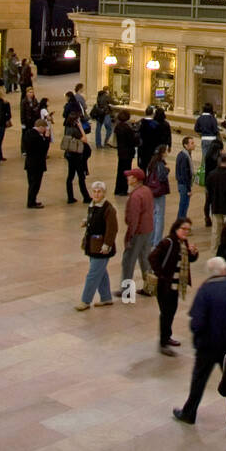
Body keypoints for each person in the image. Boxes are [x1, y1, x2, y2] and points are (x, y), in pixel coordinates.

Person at [172, 256, 226, 424]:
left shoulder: (205, 290)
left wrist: (198, 338)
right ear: (224, 270)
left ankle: (189, 413)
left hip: (207, 346)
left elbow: (197, 321)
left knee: (199, 380)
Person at [151, 215, 199, 355]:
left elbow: (188, 259)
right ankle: (163, 342)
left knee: (171, 312)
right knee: (166, 313)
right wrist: (161, 275)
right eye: (183, 229)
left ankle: (167, 337)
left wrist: (193, 253)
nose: (185, 232)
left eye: (188, 230)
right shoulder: (169, 242)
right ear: (176, 228)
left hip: (175, 286)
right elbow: (152, 257)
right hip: (165, 286)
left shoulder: (183, 242)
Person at [74, 180, 118, 310]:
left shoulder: (108, 209)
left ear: (104, 193)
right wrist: (86, 221)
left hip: (101, 248)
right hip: (92, 245)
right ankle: (106, 297)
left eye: (99, 192)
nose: (96, 194)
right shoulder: (92, 205)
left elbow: (112, 229)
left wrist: (107, 245)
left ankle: (85, 301)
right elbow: (93, 218)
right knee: (101, 272)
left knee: (93, 274)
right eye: (94, 191)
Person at [118, 167, 153, 298]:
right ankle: (150, 288)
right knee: (145, 259)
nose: (127, 178)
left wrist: (129, 235)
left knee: (128, 260)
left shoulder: (136, 196)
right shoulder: (147, 190)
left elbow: (134, 218)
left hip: (138, 232)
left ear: (135, 179)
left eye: (130, 176)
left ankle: (126, 291)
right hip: (148, 229)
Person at [146, 144, 171, 247]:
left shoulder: (152, 162)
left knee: (153, 215)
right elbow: (161, 177)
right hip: (159, 192)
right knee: (160, 216)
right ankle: (157, 240)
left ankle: (151, 239)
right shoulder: (160, 164)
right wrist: (167, 170)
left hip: (152, 190)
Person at [23, 116, 50, 209]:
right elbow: (44, 148)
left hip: (29, 163)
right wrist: (46, 138)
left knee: (31, 183)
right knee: (35, 184)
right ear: (41, 127)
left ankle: (32, 200)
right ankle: (31, 202)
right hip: (37, 164)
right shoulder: (37, 136)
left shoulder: (27, 133)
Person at [63, 117, 91, 203]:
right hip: (76, 156)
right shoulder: (75, 130)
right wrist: (81, 128)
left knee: (70, 176)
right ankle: (86, 197)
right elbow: (84, 140)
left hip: (70, 155)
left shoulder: (67, 129)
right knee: (81, 177)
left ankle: (70, 197)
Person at [113, 109, 137, 196]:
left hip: (121, 151)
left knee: (120, 171)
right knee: (126, 171)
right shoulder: (127, 129)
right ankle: (123, 189)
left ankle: (118, 189)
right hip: (128, 152)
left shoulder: (118, 127)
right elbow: (132, 141)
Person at [175, 134, 197, 219]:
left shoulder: (184, 154)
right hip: (184, 184)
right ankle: (180, 223)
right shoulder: (184, 156)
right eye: (192, 143)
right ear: (186, 145)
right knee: (183, 206)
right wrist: (188, 189)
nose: (194, 145)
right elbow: (184, 173)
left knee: (184, 205)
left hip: (183, 184)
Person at [194, 101, 220, 167]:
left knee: (205, 156)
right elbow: (215, 130)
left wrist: (202, 132)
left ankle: (204, 170)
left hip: (204, 139)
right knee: (213, 156)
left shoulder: (200, 118)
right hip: (212, 139)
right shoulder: (212, 118)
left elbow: (196, 129)